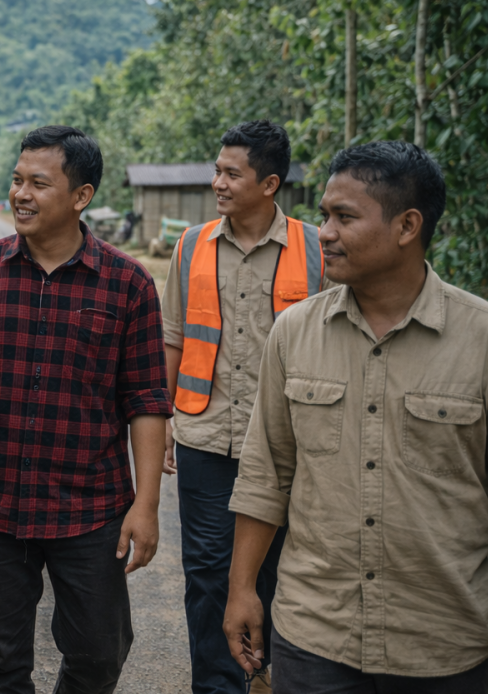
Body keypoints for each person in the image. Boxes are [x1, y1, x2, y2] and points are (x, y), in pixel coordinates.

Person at [223, 140, 488, 693]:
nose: (324, 233)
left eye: (344, 217)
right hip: (314, 635)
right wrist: (241, 589)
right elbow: (266, 474)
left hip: (441, 644)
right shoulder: (294, 333)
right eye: (324, 216)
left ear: (407, 226)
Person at [0, 125, 171, 694]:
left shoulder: (129, 284)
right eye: (17, 180)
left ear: (81, 196)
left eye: (39, 183)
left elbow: (146, 402)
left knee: (99, 655)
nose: (20, 194)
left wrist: (146, 506)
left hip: (90, 508)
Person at [160, 120, 327, 694]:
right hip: (206, 437)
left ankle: (268, 672)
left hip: (290, 446)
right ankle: (217, 686)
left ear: (270, 184)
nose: (218, 183)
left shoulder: (317, 249)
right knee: (208, 575)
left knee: (281, 572)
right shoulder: (191, 245)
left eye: (232, 174)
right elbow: (174, 337)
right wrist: (165, 418)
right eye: (217, 171)